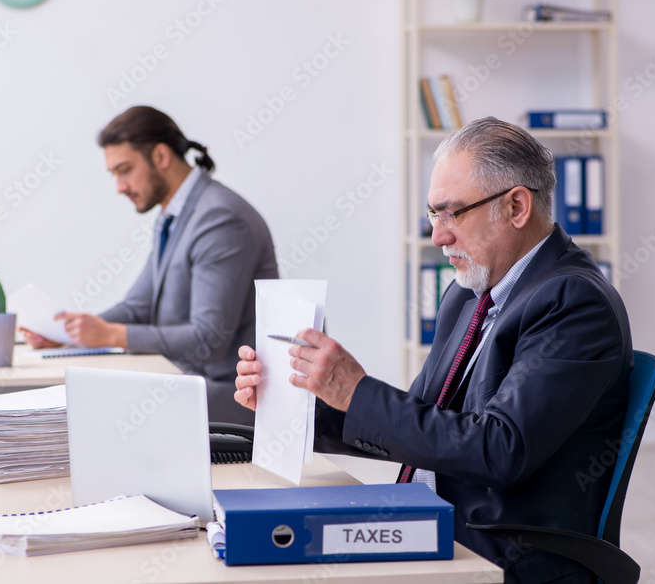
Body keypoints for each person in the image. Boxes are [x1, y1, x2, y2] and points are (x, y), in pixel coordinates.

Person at [233, 117, 632, 583]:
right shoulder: (469, 293)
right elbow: (426, 423)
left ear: (517, 206)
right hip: (439, 516)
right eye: (433, 215)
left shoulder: (574, 303)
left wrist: (358, 391)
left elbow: (498, 450)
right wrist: (307, 403)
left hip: (505, 550)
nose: (438, 236)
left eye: (452, 213)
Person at [25, 105, 278, 425]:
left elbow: (208, 341)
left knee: (88, 412)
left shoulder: (219, 219)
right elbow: (137, 307)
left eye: (124, 169)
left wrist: (111, 335)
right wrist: (69, 333)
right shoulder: (174, 214)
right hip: (187, 383)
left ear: (160, 156)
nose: (119, 186)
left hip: (233, 398)